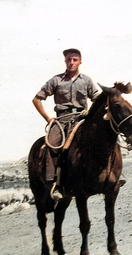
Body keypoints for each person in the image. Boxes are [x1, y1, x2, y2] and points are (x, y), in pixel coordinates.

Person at [32, 48, 101, 201]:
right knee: (52, 144)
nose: (71, 62)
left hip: (83, 119)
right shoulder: (56, 81)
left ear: (80, 62)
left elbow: (97, 99)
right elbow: (36, 99)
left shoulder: (87, 80)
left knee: (102, 137)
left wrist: (91, 112)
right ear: (65, 61)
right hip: (62, 121)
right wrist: (49, 119)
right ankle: (54, 184)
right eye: (69, 59)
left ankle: (111, 175)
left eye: (75, 59)